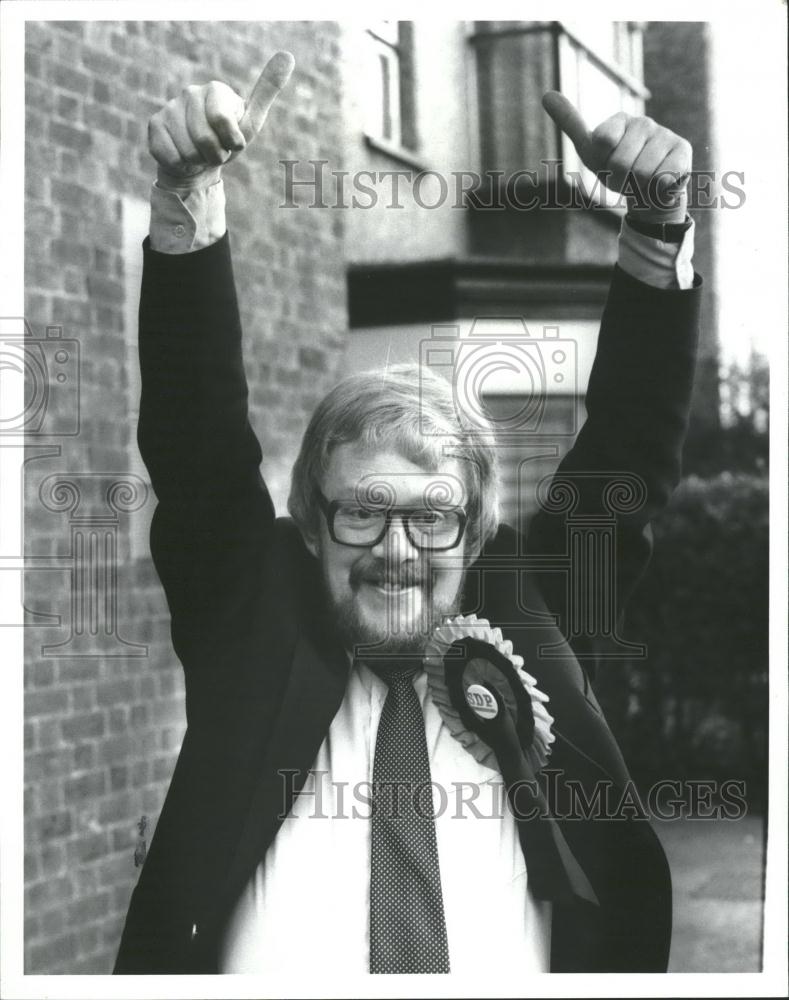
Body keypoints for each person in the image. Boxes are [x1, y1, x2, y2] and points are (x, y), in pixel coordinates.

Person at [114, 51, 701, 976]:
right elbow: (197, 451)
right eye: (361, 513)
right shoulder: (253, 627)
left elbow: (628, 453)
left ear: (473, 532)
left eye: (432, 519)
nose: (396, 551)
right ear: (308, 523)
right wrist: (187, 199)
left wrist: (655, 233)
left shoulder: (535, 619)